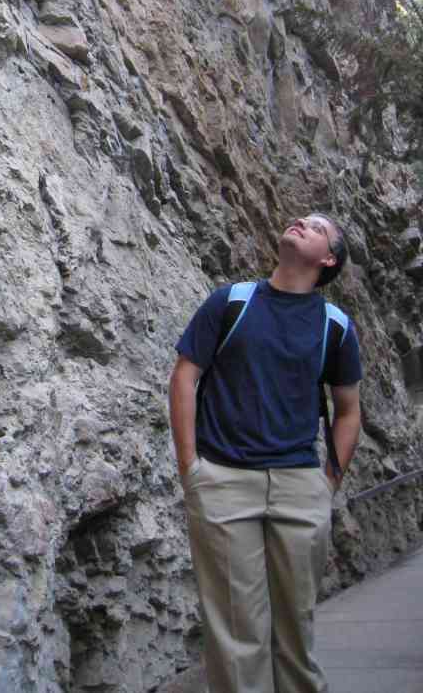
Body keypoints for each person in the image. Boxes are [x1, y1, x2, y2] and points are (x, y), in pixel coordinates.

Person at [169, 214, 362, 693]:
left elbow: (348, 410)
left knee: (296, 629)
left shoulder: (334, 327)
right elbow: (184, 378)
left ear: (329, 259)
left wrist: (327, 482)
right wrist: (191, 469)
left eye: (317, 227)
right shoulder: (231, 303)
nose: (301, 222)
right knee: (237, 636)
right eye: (302, 220)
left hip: (299, 486)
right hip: (224, 483)